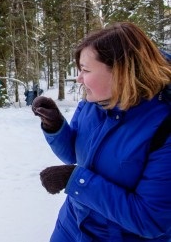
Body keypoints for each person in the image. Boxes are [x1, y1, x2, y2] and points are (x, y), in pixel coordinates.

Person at [32, 22, 171, 241]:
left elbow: (150, 219)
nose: (78, 78)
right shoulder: (94, 102)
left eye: (85, 70)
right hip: (70, 228)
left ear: (121, 73)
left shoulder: (163, 126)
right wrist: (55, 126)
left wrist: (75, 181)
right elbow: (76, 155)